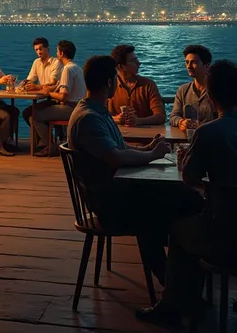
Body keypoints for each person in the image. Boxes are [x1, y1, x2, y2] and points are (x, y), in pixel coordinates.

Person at [68, 55, 203, 285]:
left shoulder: (96, 111)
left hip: (119, 190)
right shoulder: (89, 119)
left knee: (185, 199)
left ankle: (177, 281)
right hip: (108, 201)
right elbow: (114, 157)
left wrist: (145, 148)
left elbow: (117, 148)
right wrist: (151, 155)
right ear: (109, 82)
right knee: (181, 205)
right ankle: (176, 282)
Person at [137, 60, 237, 327]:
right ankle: (191, 300)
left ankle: (174, 304)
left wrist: (187, 161)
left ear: (211, 96)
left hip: (225, 235)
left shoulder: (210, 132)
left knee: (178, 229)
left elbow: (189, 177)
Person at [32, 40, 86, 157]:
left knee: (34, 116)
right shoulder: (76, 67)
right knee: (38, 109)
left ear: (61, 53)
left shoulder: (67, 69)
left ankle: (50, 146)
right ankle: (45, 143)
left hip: (71, 108)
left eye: (57, 51)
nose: (56, 54)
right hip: (80, 107)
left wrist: (48, 93)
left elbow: (63, 96)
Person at [108, 44, 165, 126]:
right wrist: (115, 119)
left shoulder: (148, 85)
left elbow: (161, 116)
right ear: (121, 67)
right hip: (117, 137)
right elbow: (98, 115)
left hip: (145, 137)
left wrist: (139, 121)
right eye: (133, 61)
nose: (139, 63)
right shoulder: (109, 86)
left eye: (136, 59)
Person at [169, 44, 216, 132]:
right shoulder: (183, 90)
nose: (189, 66)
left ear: (206, 66)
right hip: (186, 142)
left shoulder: (216, 90)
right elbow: (173, 116)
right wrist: (181, 122)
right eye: (187, 62)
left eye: (194, 62)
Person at [22, 37, 62, 129]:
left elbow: (52, 83)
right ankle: (41, 141)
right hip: (43, 98)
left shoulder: (56, 62)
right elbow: (30, 79)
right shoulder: (36, 62)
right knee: (27, 113)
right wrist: (24, 84)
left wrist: (35, 87)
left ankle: (45, 141)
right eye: (36, 50)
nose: (38, 52)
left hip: (55, 99)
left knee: (31, 114)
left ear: (47, 48)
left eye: (40, 49)